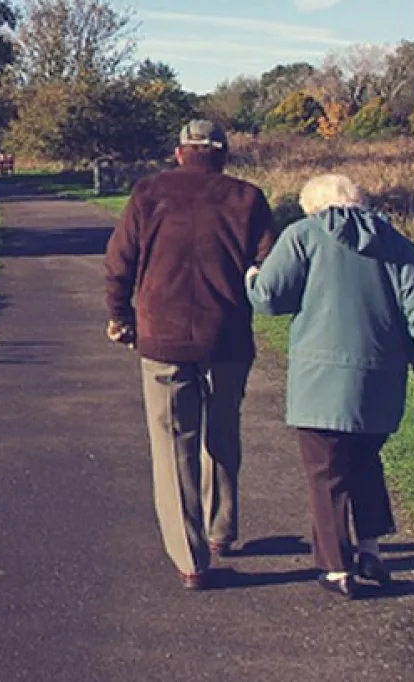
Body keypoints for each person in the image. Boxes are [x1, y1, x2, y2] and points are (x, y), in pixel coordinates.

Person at [245, 173, 414, 599]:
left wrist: (251, 277)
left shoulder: (303, 236)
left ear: (314, 206)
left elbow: (269, 298)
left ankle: (337, 567)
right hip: (380, 379)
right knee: (365, 461)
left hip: (320, 380)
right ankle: (371, 549)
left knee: (326, 472)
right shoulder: (396, 242)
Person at [104, 120, 277, 590]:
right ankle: (221, 529)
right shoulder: (248, 198)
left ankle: (191, 559)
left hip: (162, 337)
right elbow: (269, 266)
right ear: (222, 154)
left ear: (180, 152)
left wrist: (120, 316)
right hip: (227, 338)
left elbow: (119, 260)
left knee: (173, 446)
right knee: (222, 433)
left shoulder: (148, 193)